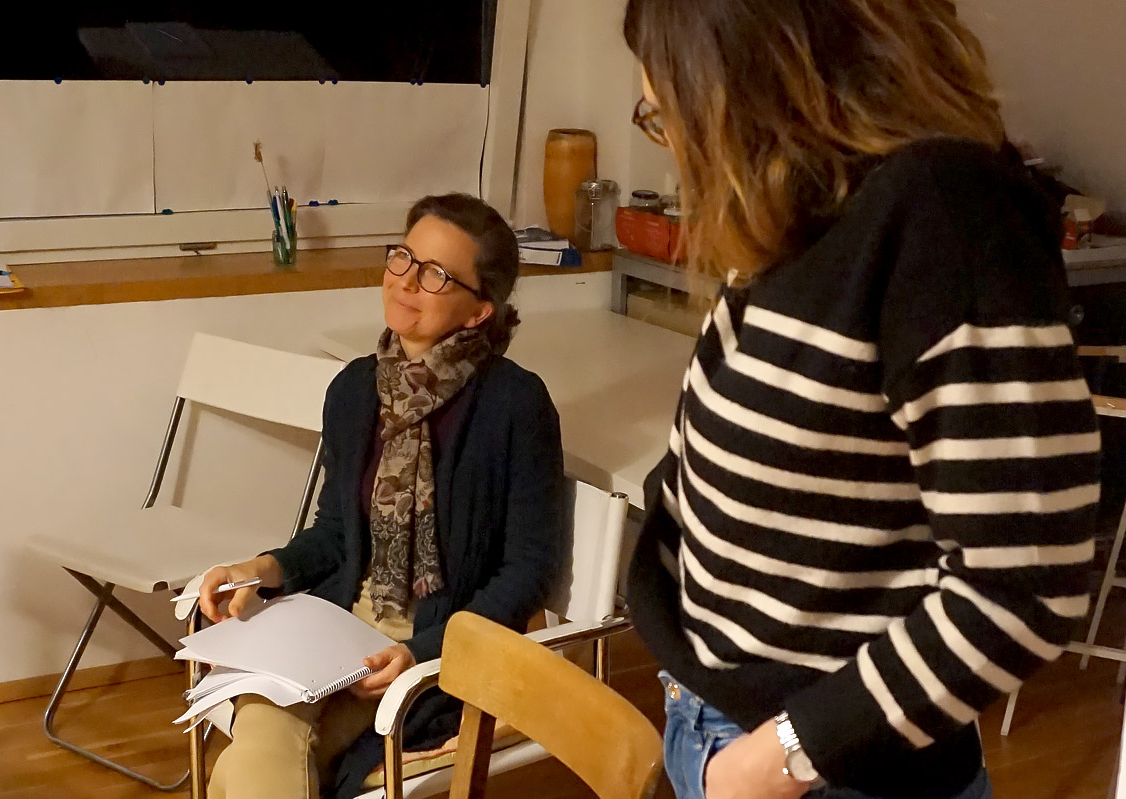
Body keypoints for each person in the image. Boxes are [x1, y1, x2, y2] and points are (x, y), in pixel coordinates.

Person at [621, 3, 1099, 799]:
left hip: (826, 773)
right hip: (711, 722)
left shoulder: (943, 213)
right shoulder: (802, 207)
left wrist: (782, 755)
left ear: (767, 80)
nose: (679, 147)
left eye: (674, 114)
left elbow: (1025, 583)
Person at [198, 193, 565, 799]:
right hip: (336, 626)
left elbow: (527, 571)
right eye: (404, 258)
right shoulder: (353, 390)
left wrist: (421, 651)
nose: (407, 281)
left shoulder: (515, 405)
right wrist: (261, 569)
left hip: (435, 649)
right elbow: (336, 533)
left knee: (257, 756)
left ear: (479, 311)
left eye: (436, 274)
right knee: (264, 729)